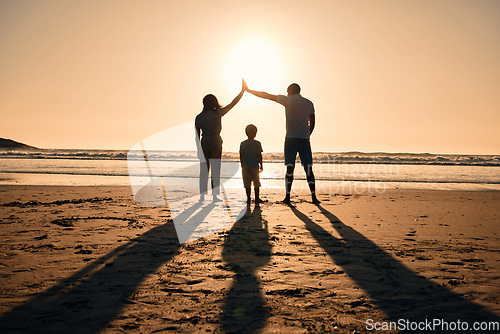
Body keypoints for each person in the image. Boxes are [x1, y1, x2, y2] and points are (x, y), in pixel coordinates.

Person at [245, 82, 320, 204]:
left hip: (290, 138)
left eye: (287, 92)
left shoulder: (288, 100)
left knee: (290, 169)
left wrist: (249, 90)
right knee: (308, 169)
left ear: (290, 91)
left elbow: (267, 95)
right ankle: (314, 197)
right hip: (304, 139)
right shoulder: (309, 103)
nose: (286, 94)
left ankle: (288, 197)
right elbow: (313, 122)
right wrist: (307, 134)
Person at [195, 79, 247, 202]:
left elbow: (197, 135)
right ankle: (214, 196)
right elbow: (232, 104)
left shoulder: (199, 117)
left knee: (204, 170)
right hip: (215, 140)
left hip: (204, 140)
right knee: (215, 168)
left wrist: (198, 149)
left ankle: (202, 196)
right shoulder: (218, 113)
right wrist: (242, 92)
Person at [239, 124, 265, 204]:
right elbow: (259, 155)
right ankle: (257, 198)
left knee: (247, 182)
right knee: (256, 182)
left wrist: (242, 164)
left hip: (245, 165)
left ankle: (248, 197)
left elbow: (241, 155)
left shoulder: (243, 143)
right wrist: (261, 165)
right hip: (254, 165)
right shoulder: (257, 143)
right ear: (255, 133)